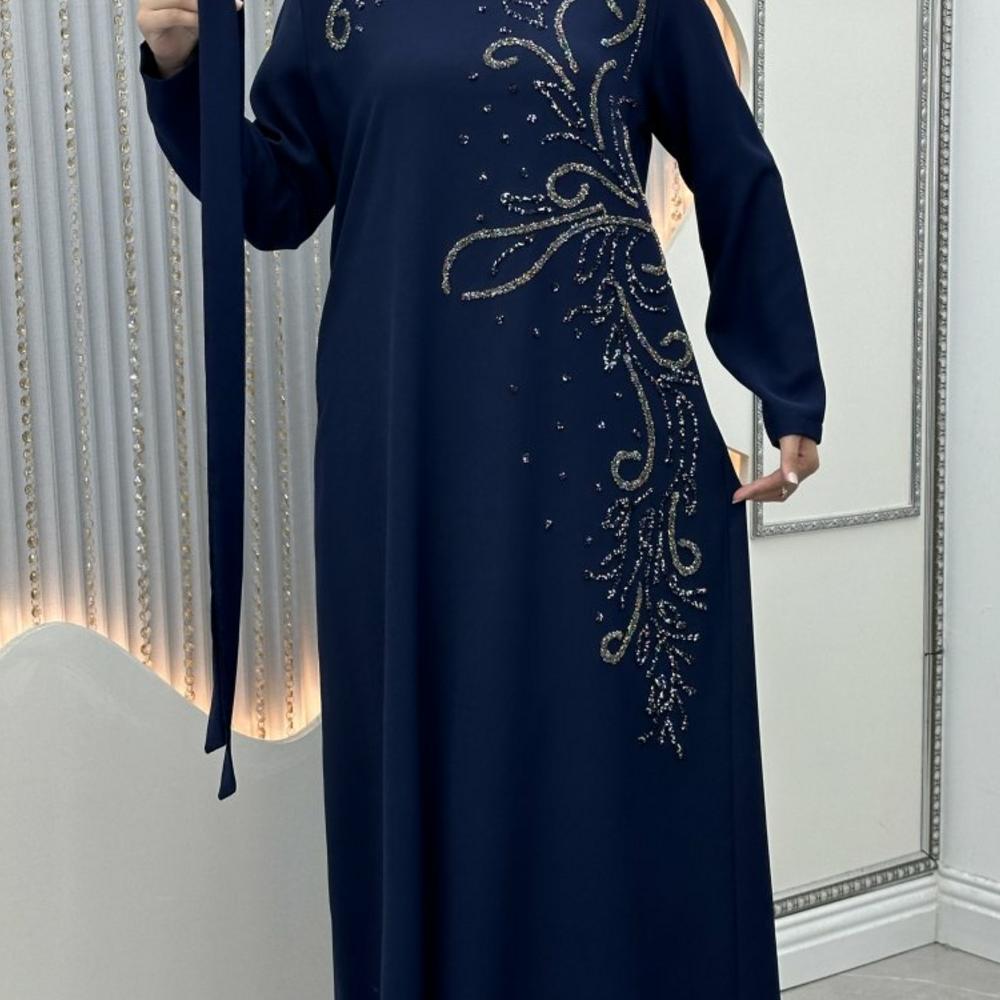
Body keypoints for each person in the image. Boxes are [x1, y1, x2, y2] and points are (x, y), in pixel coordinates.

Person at [136, 0, 826, 996]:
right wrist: (182, 61)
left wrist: (787, 382)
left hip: (608, 463)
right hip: (407, 451)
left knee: (604, 789)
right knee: (439, 759)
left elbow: (731, 165)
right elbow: (277, 197)